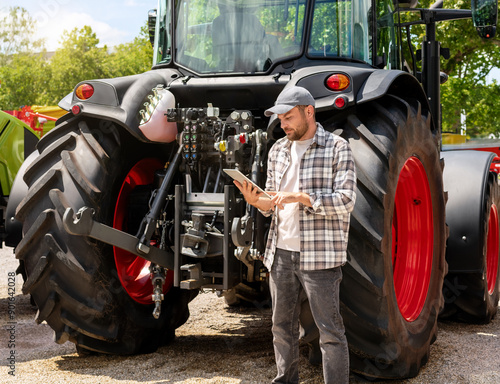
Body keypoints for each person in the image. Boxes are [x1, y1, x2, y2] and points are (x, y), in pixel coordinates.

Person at [234, 86, 356, 384]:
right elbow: (272, 203)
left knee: (330, 333)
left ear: (309, 112)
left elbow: (346, 200)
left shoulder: (337, 147)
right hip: (281, 255)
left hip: (320, 256)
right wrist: (256, 200)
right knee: (280, 328)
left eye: (288, 117)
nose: (283, 124)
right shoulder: (278, 150)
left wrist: (301, 197)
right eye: (280, 118)